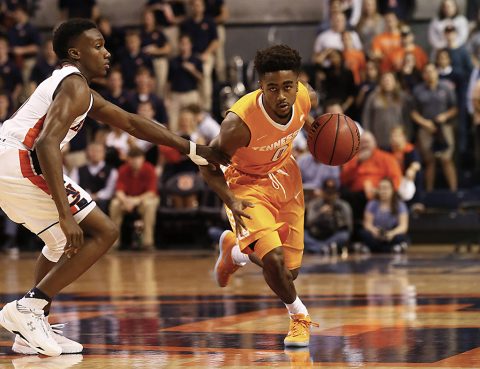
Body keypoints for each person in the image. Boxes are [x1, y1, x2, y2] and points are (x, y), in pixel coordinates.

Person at [0, 18, 227, 357]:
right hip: (20, 159)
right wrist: (65, 213)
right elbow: (47, 143)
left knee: (58, 243)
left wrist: (193, 149)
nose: (107, 53)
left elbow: (133, 123)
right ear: (75, 53)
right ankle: (30, 307)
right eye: (98, 46)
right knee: (103, 232)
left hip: (9, 161)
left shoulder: (77, 89)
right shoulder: (73, 85)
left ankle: (30, 328)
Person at [200, 45, 319, 347]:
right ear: (260, 87)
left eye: (287, 87)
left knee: (288, 273)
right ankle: (300, 317)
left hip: (286, 178)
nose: (281, 96)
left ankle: (235, 252)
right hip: (246, 185)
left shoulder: (305, 96)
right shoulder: (238, 124)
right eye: (272, 88)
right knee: (274, 261)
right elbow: (207, 165)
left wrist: (320, 132)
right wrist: (230, 200)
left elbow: (306, 114)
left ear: (297, 83)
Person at [109, 147, 159, 250]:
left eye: (138, 158)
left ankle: (147, 242)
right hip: (127, 201)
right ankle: (114, 243)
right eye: (132, 158)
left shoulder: (149, 169)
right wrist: (126, 201)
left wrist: (135, 200)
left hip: (143, 200)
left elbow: (151, 192)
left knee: (149, 204)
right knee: (115, 204)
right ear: (128, 159)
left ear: (143, 159)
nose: (135, 161)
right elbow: (119, 191)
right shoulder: (123, 169)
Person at [304, 178, 353, 255]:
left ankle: (318, 249)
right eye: (327, 192)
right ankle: (324, 249)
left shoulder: (343, 206)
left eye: (332, 193)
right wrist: (320, 213)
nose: (330, 195)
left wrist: (335, 215)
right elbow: (308, 223)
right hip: (316, 236)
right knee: (304, 235)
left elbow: (349, 227)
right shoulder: (314, 204)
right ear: (322, 192)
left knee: (344, 235)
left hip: (333, 235)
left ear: (337, 193)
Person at [360, 177, 409, 253]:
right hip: (376, 233)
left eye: (386, 188)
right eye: (381, 188)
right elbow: (367, 224)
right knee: (364, 234)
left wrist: (392, 233)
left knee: (402, 237)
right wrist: (374, 231)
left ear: (392, 190)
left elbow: (403, 226)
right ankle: (393, 248)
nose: (383, 191)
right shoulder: (372, 204)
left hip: (392, 233)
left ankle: (375, 248)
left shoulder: (400, 205)